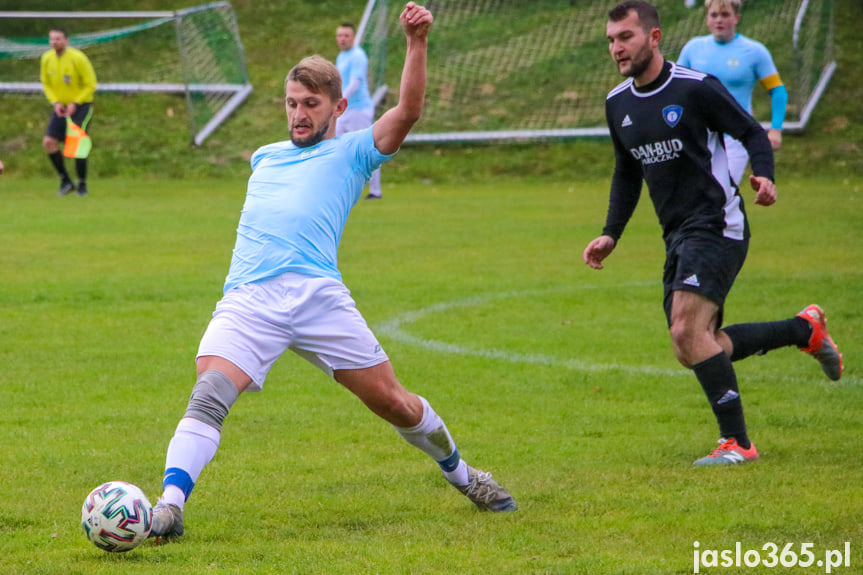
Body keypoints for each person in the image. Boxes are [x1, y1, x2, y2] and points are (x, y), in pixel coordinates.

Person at [149, 2, 516, 541]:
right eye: (292, 103)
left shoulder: (352, 153)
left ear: (338, 107)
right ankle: (170, 507)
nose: (299, 114)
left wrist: (417, 43)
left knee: (394, 403)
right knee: (208, 392)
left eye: (311, 104)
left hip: (319, 297)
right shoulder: (265, 157)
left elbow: (409, 112)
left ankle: (465, 476)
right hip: (250, 298)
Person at [583, 1, 843, 467]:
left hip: (718, 222)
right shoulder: (617, 102)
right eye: (611, 40)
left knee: (687, 330)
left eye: (625, 37)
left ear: (654, 37)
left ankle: (737, 443)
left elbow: (751, 132)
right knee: (697, 344)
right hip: (676, 233)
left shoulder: (696, 88)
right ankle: (804, 329)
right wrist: (610, 234)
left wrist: (764, 175)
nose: (616, 48)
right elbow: (627, 172)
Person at [678, 0, 787, 186]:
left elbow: (778, 91)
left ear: (736, 18)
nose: (719, 20)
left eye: (725, 15)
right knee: (697, 197)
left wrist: (775, 129)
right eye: (714, 15)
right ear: (706, 19)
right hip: (698, 137)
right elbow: (677, 88)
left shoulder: (754, 52)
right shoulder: (693, 49)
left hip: (735, 138)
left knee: (720, 194)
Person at [40, 27, 96, 197]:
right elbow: (46, 83)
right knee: (49, 142)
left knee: (77, 144)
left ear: (66, 40)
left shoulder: (78, 58)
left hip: (81, 107)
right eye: (52, 39)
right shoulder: (47, 58)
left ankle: (82, 185)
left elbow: (90, 84)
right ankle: (65, 181)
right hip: (61, 107)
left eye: (58, 39)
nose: (54, 42)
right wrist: (55, 102)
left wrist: (76, 102)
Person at [336, 21, 382, 200]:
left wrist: (340, 99)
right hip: (343, 110)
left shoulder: (358, 56)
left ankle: (375, 191)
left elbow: (355, 83)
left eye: (346, 35)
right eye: (339, 35)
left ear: (353, 37)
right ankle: (343, 187)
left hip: (358, 109)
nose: (342, 39)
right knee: (339, 147)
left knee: (365, 150)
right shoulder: (342, 56)